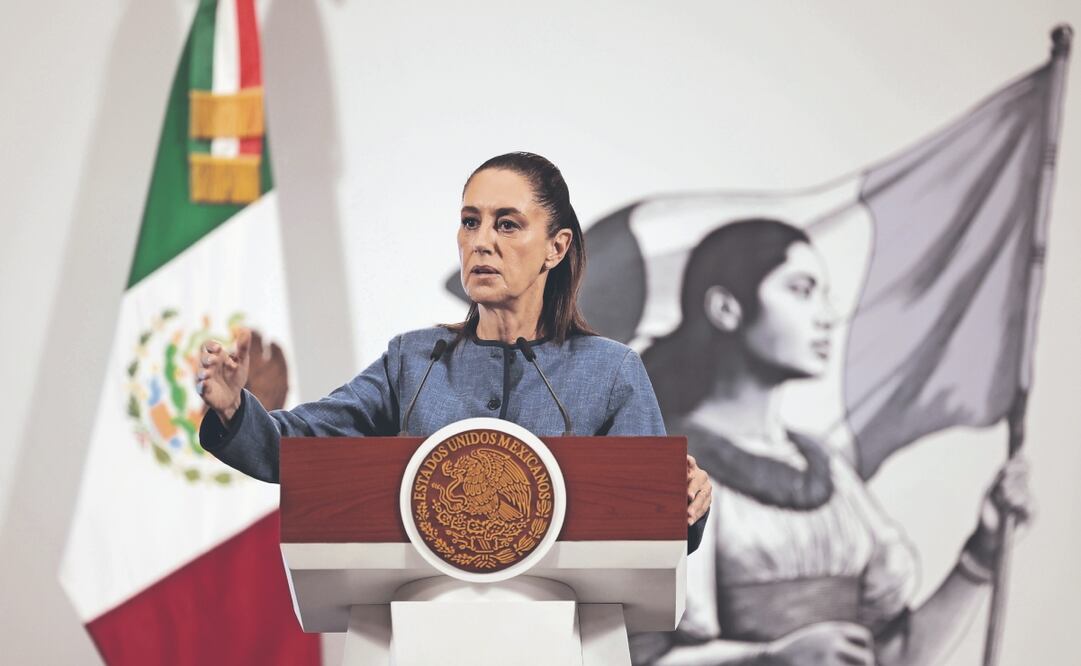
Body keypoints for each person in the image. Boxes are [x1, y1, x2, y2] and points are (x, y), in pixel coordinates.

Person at [196, 151, 712, 549]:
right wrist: (235, 409)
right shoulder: (414, 362)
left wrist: (686, 504)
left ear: (556, 247)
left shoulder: (610, 371)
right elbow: (301, 447)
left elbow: (654, 519)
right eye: (470, 222)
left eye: (506, 224)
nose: (481, 242)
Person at [632, 219, 1032, 665]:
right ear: (727, 308)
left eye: (823, 294)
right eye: (801, 290)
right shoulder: (666, 466)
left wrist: (982, 552)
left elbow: (892, 656)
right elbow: (639, 658)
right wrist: (770, 658)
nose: (826, 315)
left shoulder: (827, 468)